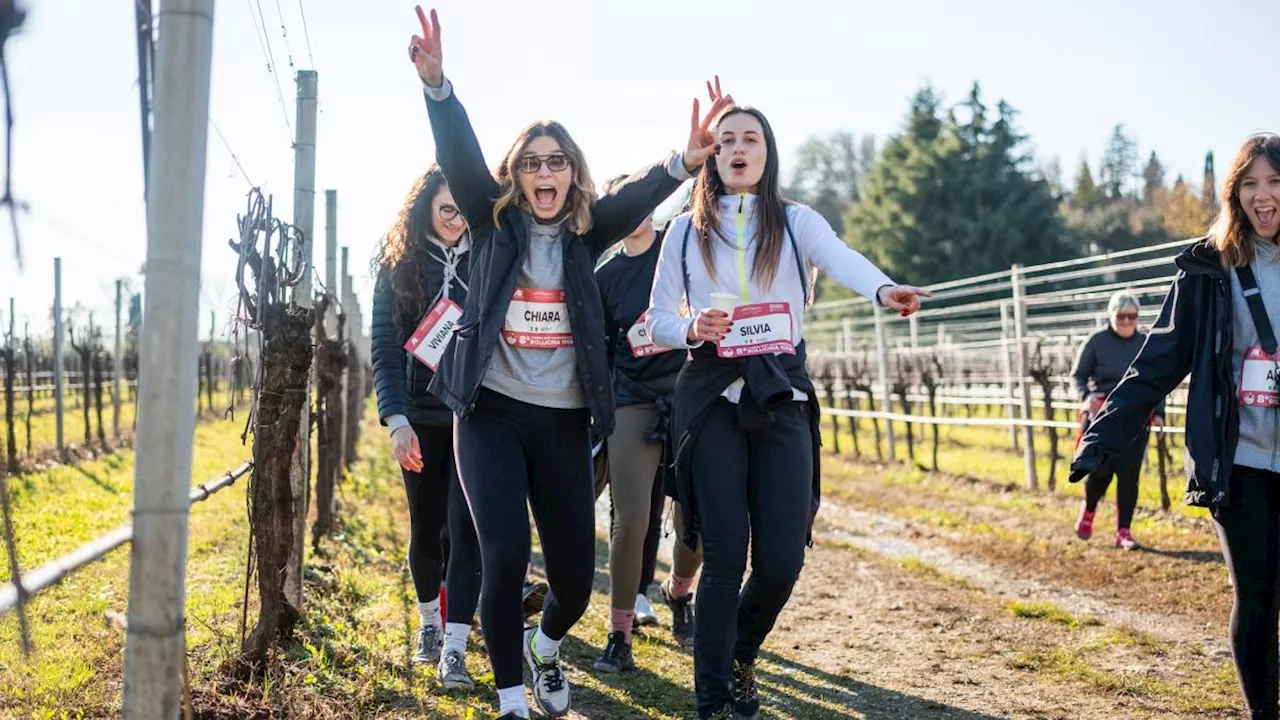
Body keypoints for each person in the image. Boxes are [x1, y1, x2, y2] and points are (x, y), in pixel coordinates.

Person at [407, 8, 729, 718]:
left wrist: (686, 160)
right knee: (501, 556)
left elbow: (641, 194)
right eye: (531, 162)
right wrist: (438, 89)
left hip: (561, 423)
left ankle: (547, 648)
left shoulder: (587, 235)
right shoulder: (494, 223)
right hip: (489, 414)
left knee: (577, 583)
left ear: (571, 173)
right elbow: (458, 152)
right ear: (514, 177)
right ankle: (513, 698)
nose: (544, 171)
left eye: (556, 161)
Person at [646, 100, 930, 720]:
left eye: (751, 139)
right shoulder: (682, 231)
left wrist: (885, 288)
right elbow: (658, 320)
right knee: (724, 554)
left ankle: (744, 652)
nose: (738, 149)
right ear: (712, 155)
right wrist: (693, 325)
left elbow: (842, 258)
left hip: (782, 393)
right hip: (712, 397)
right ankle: (714, 699)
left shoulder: (798, 220)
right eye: (726, 141)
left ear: (768, 152)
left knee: (780, 560)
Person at [1071, 133, 1280, 720]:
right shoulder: (1210, 269)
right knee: (1257, 599)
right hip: (1240, 462)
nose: (1263, 197)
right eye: (1250, 185)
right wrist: (1103, 434)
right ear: (1234, 194)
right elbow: (1158, 361)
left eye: (1274, 182)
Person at [370, 166, 484, 690]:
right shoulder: (398, 267)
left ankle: (457, 643)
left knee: (468, 532)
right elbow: (385, 351)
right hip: (420, 417)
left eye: (463, 210)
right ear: (424, 209)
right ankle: (429, 628)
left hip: (477, 418)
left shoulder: (487, 258)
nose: (456, 220)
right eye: (445, 210)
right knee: (426, 527)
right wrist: (397, 421)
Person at [592, 174, 704, 673]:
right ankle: (619, 636)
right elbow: (596, 350)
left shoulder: (680, 249)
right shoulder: (604, 278)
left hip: (690, 396)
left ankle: (678, 591)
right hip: (631, 401)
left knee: (695, 526)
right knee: (630, 521)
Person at [1069, 290, 1166, 549]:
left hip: (1135, 417)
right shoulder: (1096, 342)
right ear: (1111, 316)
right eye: (1121, 316)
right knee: (1100, 471)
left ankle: (1124, 531)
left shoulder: (1146, 343)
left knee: (1129, 474)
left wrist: (1158, 414)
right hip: (1102, 415)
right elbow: (1077, 376)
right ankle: (1089, 509)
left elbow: (1157, 381)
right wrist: (1086, 396)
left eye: (1131, 316)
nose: (1126, 321)